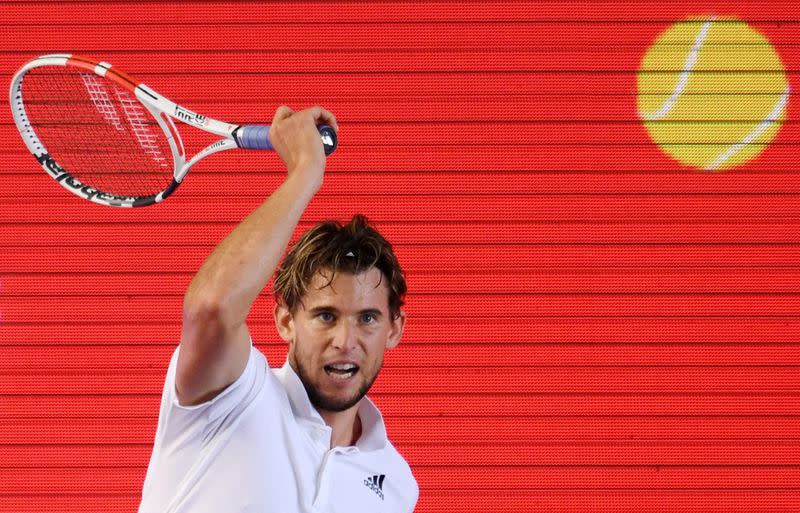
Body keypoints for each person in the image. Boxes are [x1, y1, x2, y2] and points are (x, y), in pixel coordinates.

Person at [137, 106, 419, 513]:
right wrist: (305, 174)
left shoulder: (396, 485)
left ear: (394, 329)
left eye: (367, 318)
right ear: (285, 320)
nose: (345, 341)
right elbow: (211, 309)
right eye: (326, 315)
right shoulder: (230, 397)